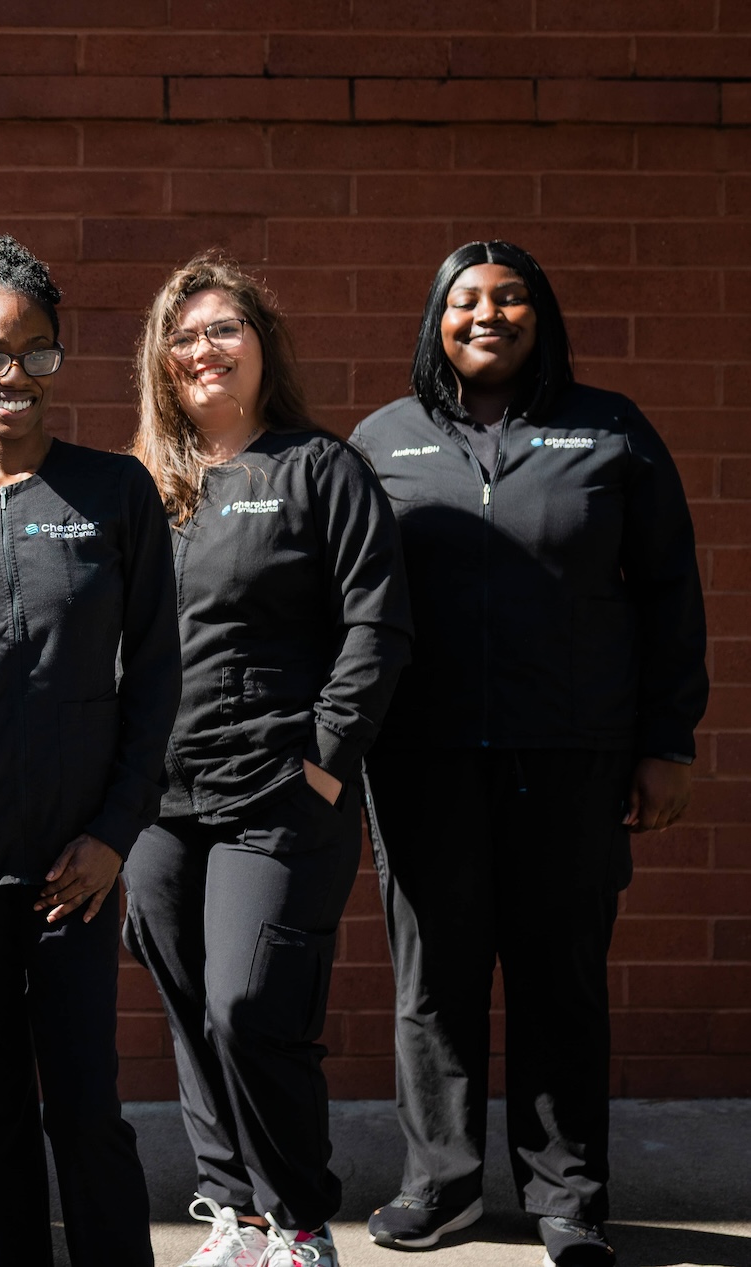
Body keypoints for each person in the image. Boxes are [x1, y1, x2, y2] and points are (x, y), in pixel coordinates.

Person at [350, 241, 707, 1267]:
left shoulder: (610, 430)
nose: (487, 315)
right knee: (433, 981)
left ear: (539, 315)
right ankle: (442, 1187)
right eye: (465, 300)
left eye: (510, 299)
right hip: (420, 760)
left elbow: (670, 593)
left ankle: (568, 1200)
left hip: (572, 755)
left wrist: (664, 739)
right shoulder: (383, 439)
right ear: (436, 319)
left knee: (560, 978)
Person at [124, 253, 413, 1267]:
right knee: (190, 1012)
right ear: (162, 360)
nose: (204, 348)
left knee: (251, 1008)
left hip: (280, 796)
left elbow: (376, 627)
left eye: (224, 330)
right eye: (184, 333)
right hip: (161, 802)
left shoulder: (316, 469)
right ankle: (232, 1218)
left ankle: (295, 1223)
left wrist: (326, 762)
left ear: (260, 348)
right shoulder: (146, 487)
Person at [0, 234, 181, 1267]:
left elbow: (155, 678)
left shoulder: (117, 494)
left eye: (36, 352)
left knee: (84, 1105)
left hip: (78, 867)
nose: (14, 375)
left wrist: (114, 834)